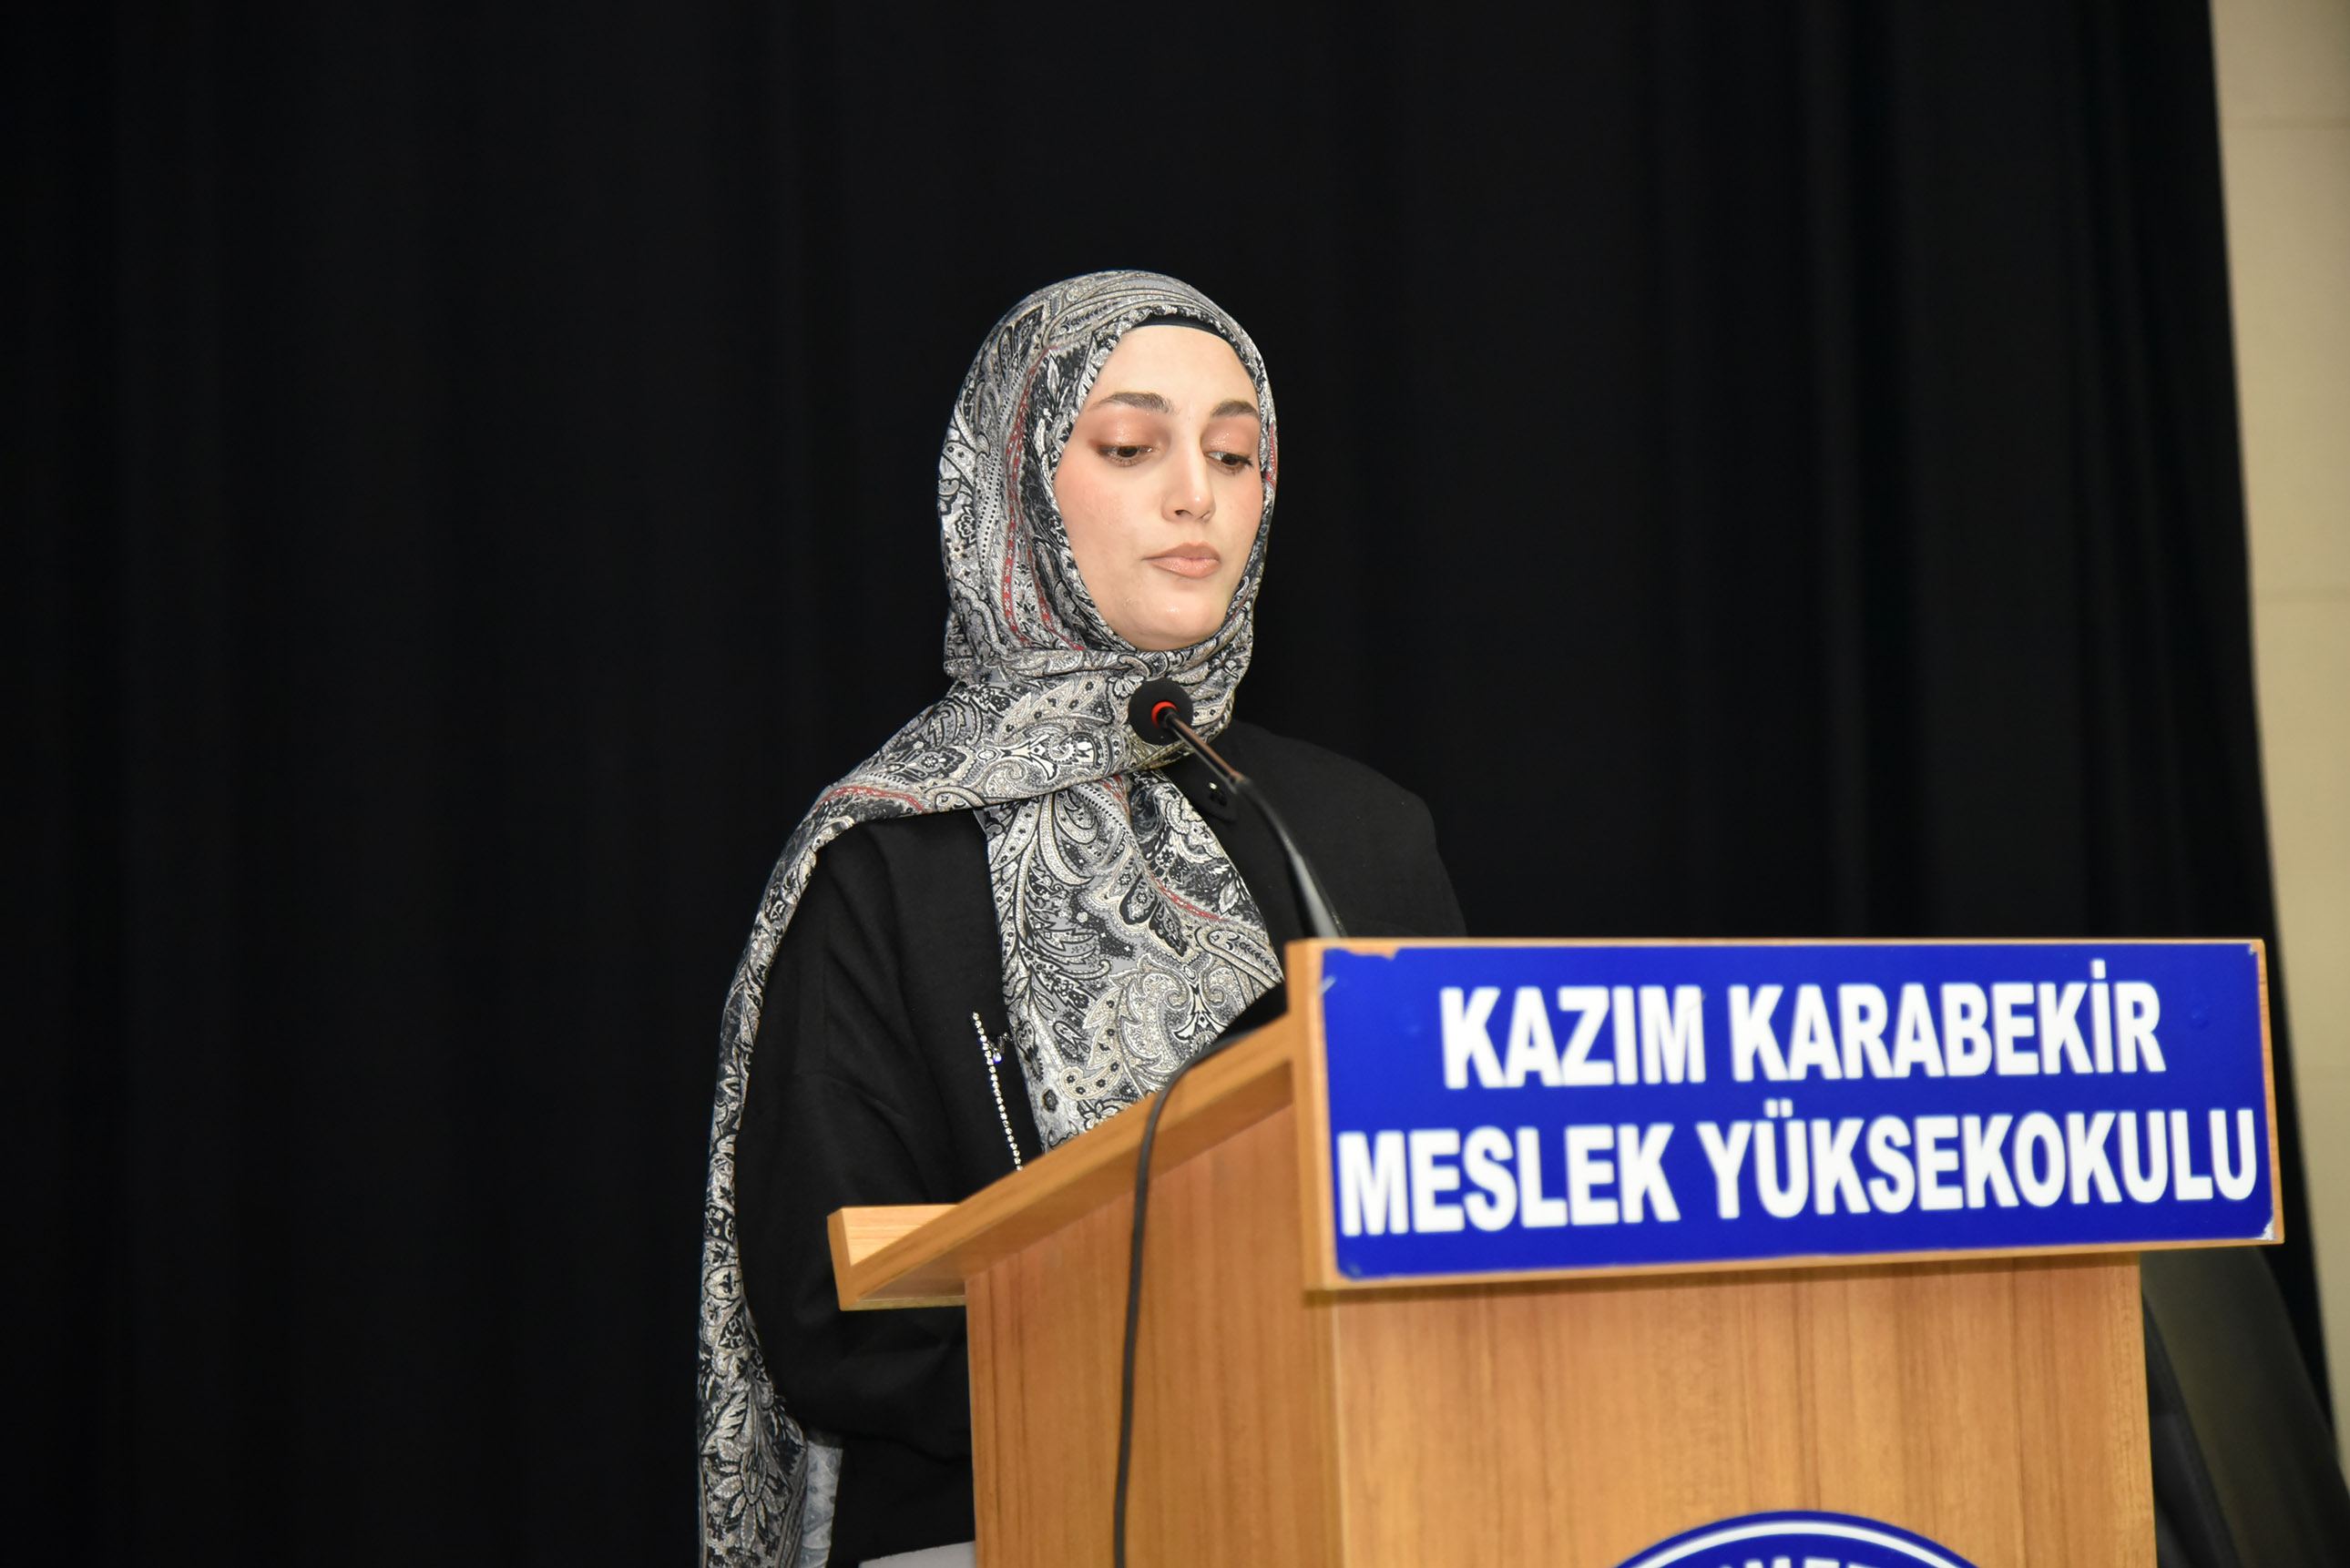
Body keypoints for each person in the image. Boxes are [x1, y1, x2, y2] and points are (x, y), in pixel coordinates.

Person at [696, 271, 1465, 1568]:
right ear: (1013, 488)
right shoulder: (887, 861)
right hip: (1004, 1519)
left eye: (1235, 453)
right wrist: (1183, 1389)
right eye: (1129, 446)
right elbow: (833, 1317)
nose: (1197, 493)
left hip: (1367, 1502)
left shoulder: (1359, 832)